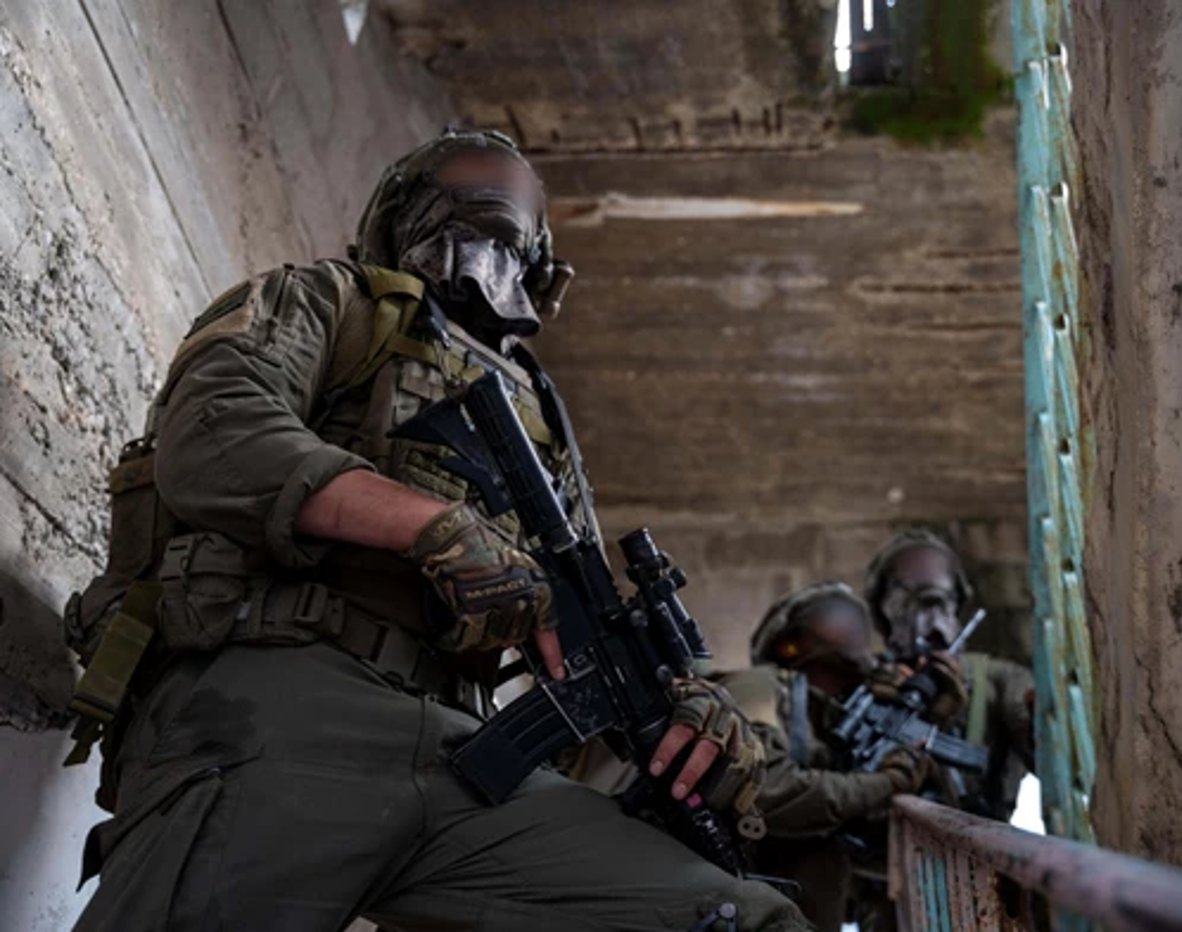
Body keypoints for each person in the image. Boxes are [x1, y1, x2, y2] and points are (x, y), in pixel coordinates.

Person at [64, 130, 807, 931]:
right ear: (401, 214)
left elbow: (582, 618)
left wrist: (684, 708)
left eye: (514, 196)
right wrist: (429, 526)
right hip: (280, 696)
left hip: (466, 758)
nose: (493, 202)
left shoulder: (542, 414)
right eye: (460, 183)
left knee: (743, 918)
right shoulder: (336, 301)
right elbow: (215, 435)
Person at [715, 583, 935, 932]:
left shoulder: (832, 724)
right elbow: (766, 787)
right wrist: (883, 784)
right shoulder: (761, 685)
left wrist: (927, 718)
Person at [863, 530, 1035, 820]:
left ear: (957, 602)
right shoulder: (865, 683)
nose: (929, 617)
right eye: (905, 595)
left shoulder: (998, 680)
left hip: (978, 838)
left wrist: (1038, 719)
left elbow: (1052, 759)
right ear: (882, 606)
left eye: (940, 598)